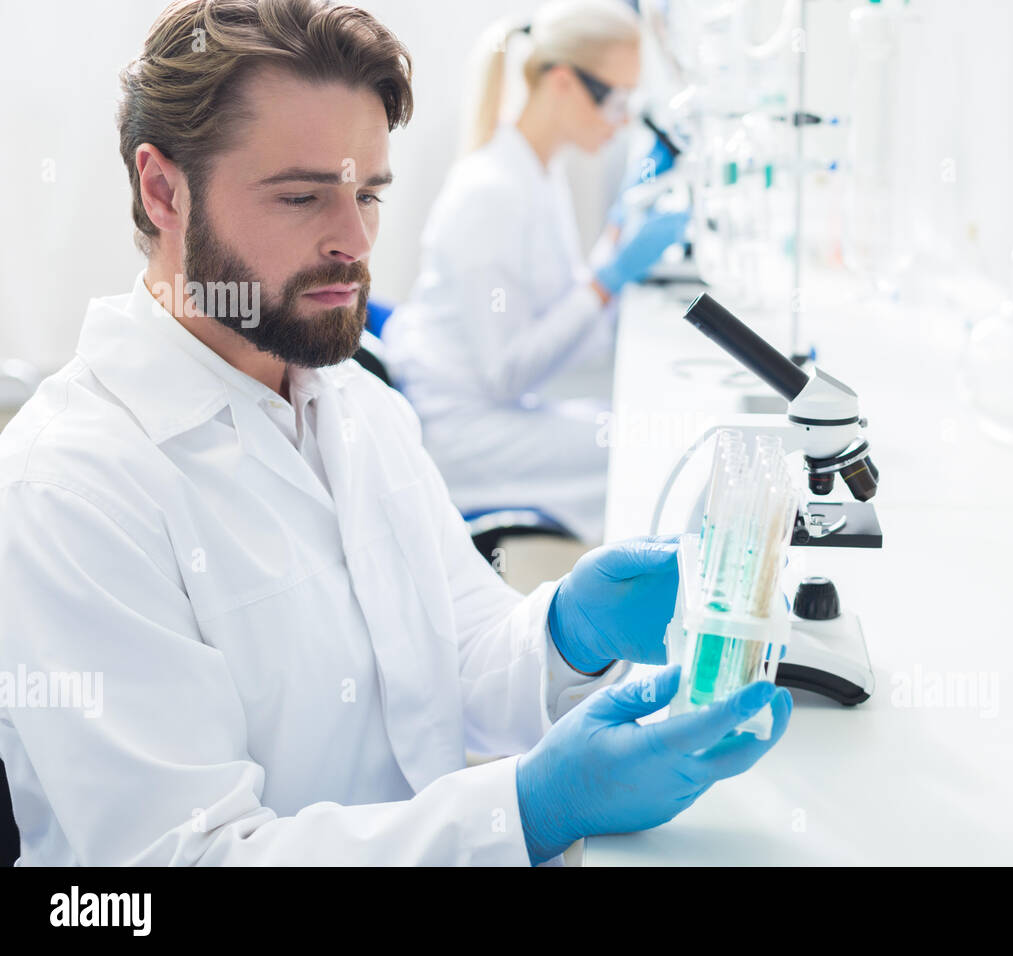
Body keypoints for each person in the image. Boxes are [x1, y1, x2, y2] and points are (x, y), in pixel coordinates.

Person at [0, 0, 789, 866]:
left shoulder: (352, 401)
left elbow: (454, 661)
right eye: (303, 196)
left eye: (368, 193)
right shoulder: (72, 489)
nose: (355, 240)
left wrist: (567, 632)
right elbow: (188, 861)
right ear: (164, 190)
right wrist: (527, 809)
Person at [380, 0, 689, 545]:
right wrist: (605, 280)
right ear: (563, 83)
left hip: (497, 408)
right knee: (648, 450)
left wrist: (614, 241)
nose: (622, 123)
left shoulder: (539, 174)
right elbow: (509, 371)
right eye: (616, 100)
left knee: (640, 429)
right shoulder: (491, 193)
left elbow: (563, 321)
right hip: (462, 432)